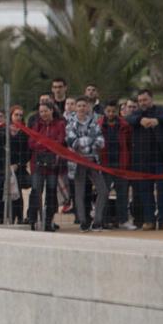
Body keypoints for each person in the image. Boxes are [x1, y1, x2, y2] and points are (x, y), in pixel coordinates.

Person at [129, 89, 163, 230]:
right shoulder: (136, 115)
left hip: (162, 158)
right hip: (143, 160)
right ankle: (149, 220)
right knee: (145, 191)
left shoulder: (162, 111)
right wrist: (140, 120)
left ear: (151, 99)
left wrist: (156, 121)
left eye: (145, 100)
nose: (142, 103)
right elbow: (128, 119)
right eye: (140, 100)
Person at [66, 96, 107, 231]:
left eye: (84, 106)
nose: (82, 108)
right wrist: (90, 141)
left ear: (88, 107)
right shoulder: (71, 124)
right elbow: (73, 143)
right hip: (77, 163)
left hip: (93, 162)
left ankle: (97, 221)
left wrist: (83, 142)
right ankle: (83, 221)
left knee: (103, 191)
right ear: (75, 108)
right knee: (79, 193)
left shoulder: (94, 123)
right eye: (79, 106)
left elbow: (101, 142)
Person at [28, 102, 66, 232]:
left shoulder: (60, 124)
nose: (43, 114)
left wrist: (42, 143)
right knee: (36, 191)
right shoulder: (37, 125)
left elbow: (60, 142)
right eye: (41, 111)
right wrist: (48, 145)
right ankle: (33, 220)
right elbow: (32, 143)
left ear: (51, 111)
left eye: (45, 111)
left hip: (52, 165)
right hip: (37, 164)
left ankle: (49, 220)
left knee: (51, 192)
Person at [98, 100, 134, 230]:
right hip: (105, 164)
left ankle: (123, 220)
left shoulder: (124, 125)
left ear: (117, 111)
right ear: (104, 111)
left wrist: (127, 161)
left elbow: (129, 144)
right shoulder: (99, 125)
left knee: (123, 193)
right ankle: (104, 220)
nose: (111, 114)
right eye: (108, 111)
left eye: (113, 111)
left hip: (121, 164)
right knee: (104, 192)